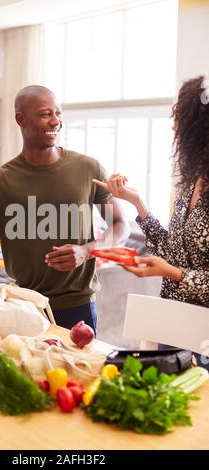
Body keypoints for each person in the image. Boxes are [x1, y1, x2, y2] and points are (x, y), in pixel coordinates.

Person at [0, 85, 129, 332]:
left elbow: (119, 224)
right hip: (22, 307)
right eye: (46, 114)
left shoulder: (89, 170)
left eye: (58, 113)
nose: (56, 121)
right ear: (20, 119)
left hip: (77, 306)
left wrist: (87, 250)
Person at [93, 76, 209, 364]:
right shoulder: (191, 181)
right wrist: (137, 202)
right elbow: (173, 251)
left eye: (179, 117)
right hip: (175, 324)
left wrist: (172, 273)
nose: (173, 125)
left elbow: (174, 266)